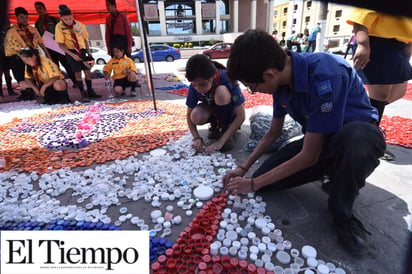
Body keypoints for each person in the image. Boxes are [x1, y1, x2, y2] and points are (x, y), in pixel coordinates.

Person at [224, 29, 386, 255]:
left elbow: (309, 155)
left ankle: (343, 213)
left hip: (354, 138)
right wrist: (245, 168)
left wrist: (251, 184)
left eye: (252, 85)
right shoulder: (281, 82)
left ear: (269, 74)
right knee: (267, 181)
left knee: (358, 140)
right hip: (318, 139)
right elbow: (273, 132)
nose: (254, 91)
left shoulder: (326, 75)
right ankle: (333, 170)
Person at [347, 8, 412, 160]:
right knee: (380, 95)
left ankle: (361, 120)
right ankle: (368, 141)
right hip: (377, 43)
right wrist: (363, 44)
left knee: (398, 91)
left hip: (400, 46)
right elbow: (360, 17)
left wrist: (408, 50)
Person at [185, 54, 245, 153]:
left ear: (212, 76)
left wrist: (221, 142)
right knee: (196, 116)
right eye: (194, 85)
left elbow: (241, 115)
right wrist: (196, 138)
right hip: (213, 108)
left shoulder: (227, 78)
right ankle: (215, 126)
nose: (198, 90)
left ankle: (226, 128)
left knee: (221, 92)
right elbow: (188, 115)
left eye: (203, 85)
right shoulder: (195, 85)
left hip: (231, 110)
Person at [55, 4, 101, 102]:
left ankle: (90, 90)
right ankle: (82, 93)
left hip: (82, 50)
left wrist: (89, 53)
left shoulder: (79, 24)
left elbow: (85, 39)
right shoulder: (59, 27)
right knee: (77, 73)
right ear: (61, 18)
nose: (69, 21)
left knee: (88, 71)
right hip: (71, 51)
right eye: (66, 19)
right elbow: (60, 44)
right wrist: (73, 55)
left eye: (70, 18)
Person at [5, 7, 51, 101]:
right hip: (18, 57)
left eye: (26, 17)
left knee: (34, 75)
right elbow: (18, 48)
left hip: (32, 55)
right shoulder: (12, 31)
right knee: (21, 77)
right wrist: (26, 58)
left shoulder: (32, 29)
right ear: (17, 18)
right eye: (22, 17)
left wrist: (47, 54)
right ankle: (27, 92)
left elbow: (40, 43)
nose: (25, 19)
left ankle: (34, 92)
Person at [34, 1, 77, 88]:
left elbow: (64, 29)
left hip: (59, 46)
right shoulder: (37, 23)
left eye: (40, 8)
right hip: (48, 49)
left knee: (67, 64)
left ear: (45, 9)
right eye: (37, 9)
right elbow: (38, 35)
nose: (39, 10)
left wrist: (58, 36)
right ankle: (60, 84)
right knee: (54, 66)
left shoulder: (54, 19)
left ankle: (75, 81)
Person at [0, 19, 17, 97]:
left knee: (7, 74)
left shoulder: (10, 31)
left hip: (6, 54)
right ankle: (0, 92)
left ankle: (10, 90)